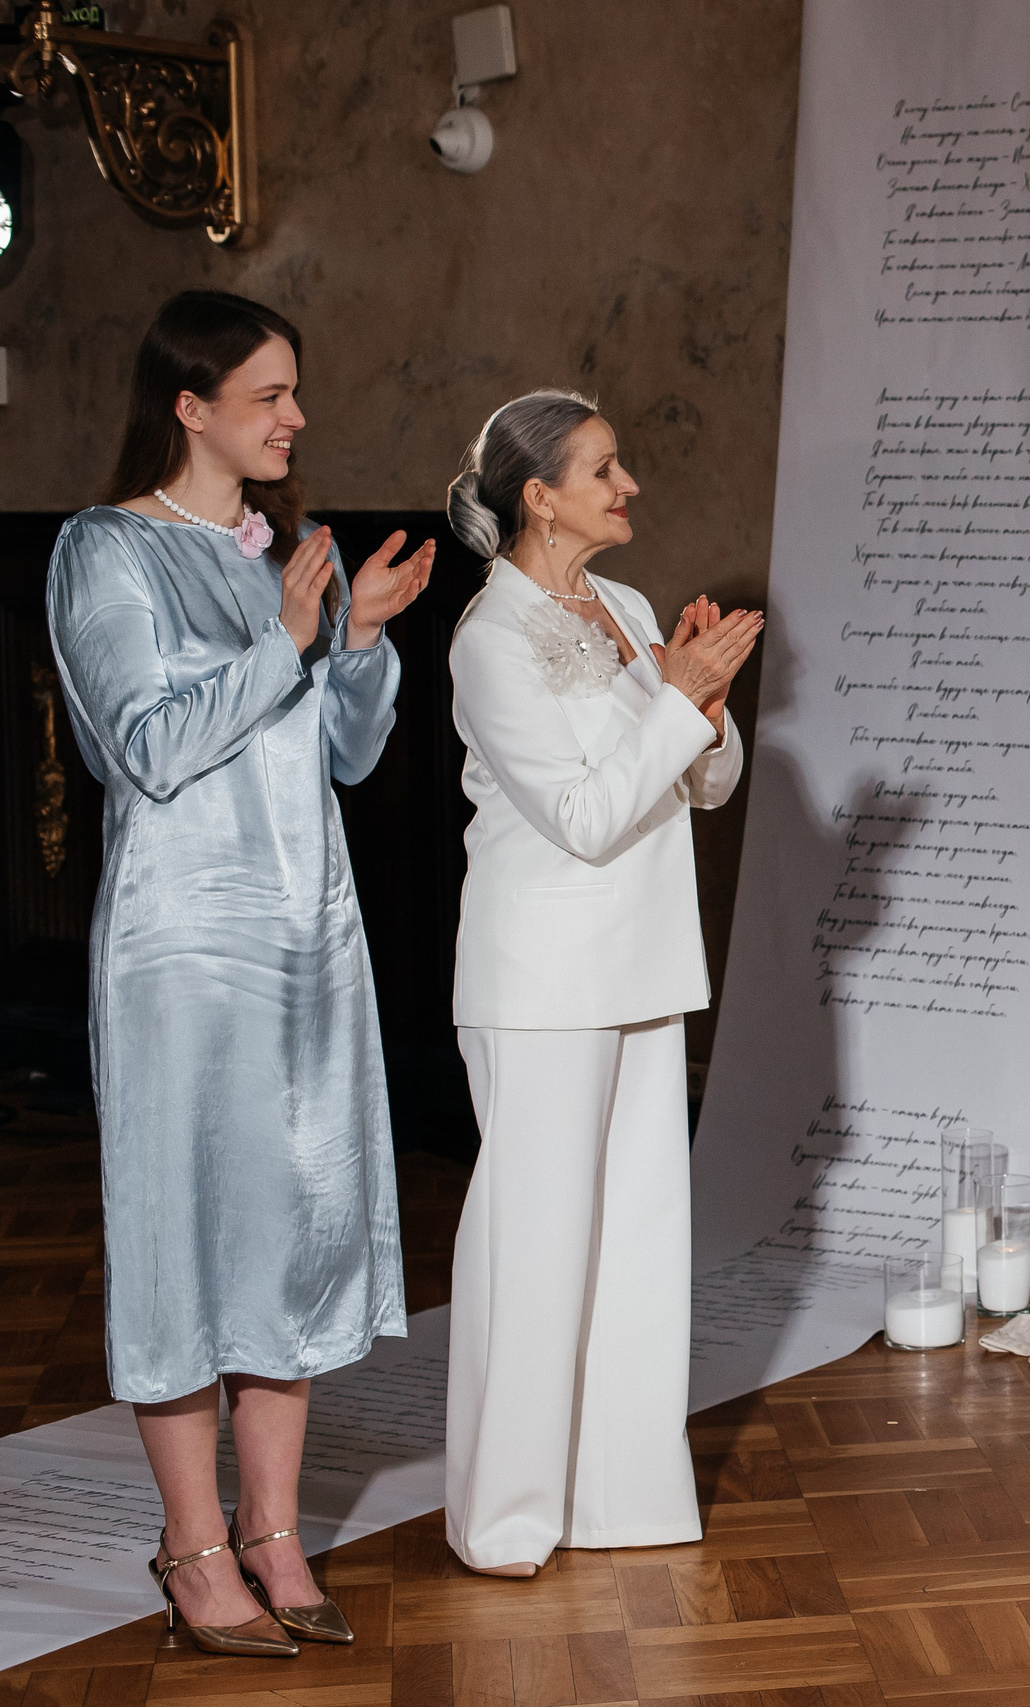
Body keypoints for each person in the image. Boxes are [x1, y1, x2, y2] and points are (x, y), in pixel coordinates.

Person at [45, 291, 434, 1655]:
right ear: (189, 405)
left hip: (305, 943)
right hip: (183, 954)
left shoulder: (284, 556)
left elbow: (344, 757)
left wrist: (357, 640)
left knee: (292, 1233)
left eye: (294, 391)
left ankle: (274, 1533)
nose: (295, 417)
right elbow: (145, 748)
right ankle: (193, 1544)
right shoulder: (106, 551)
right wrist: (283, 636)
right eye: (269, 394)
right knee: (183, 1237)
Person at [440, 389, 761, 1576]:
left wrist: (704, 706)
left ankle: (621, 1496)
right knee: (534, 1248)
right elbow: (581, 817)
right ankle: (506, 1518)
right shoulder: (488, 639)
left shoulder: (624, 607)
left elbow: (701, 786)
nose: (629, 487)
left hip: (643, 961)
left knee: (637, 1243)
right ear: (540, 495)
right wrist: (676, 699)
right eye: (605, 469)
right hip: (542, 980)